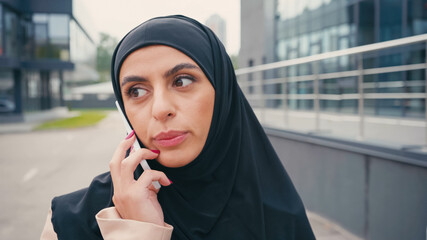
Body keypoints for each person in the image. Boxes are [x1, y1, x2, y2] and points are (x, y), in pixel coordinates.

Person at [40, 15, 315, 240]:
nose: (160, 109)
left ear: (223, 93)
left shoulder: (280, 218)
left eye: (182, 81)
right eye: (136, 91)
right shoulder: (69, 224)